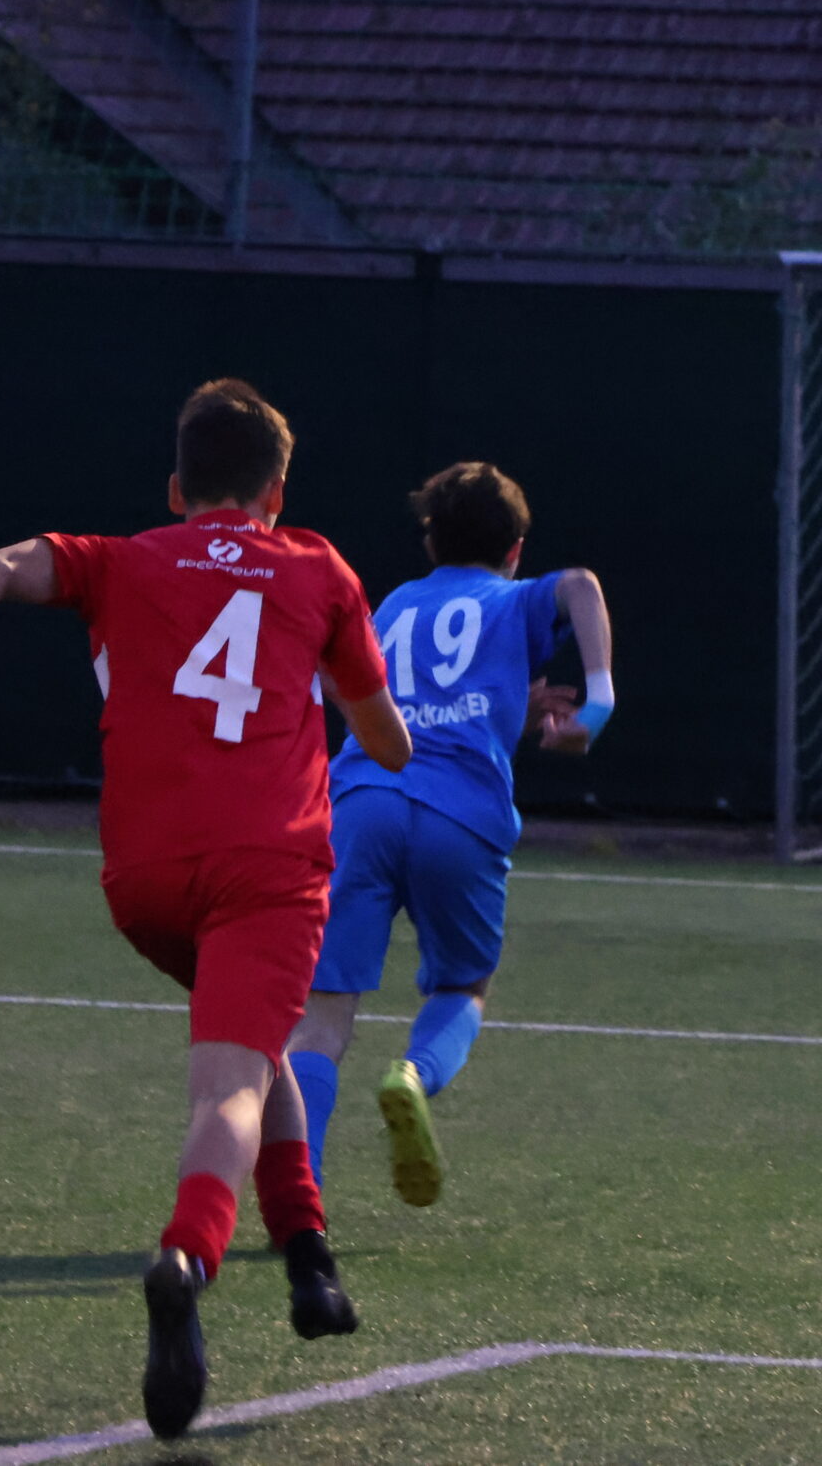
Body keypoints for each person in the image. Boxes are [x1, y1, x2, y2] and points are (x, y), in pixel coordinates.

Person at [0, 379, 411, 1442]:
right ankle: (186, 1258)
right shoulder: (318, 566)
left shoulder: (124, 558)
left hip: (144, 876)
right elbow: (383, 740)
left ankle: (310, 1260)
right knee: (227, 1088)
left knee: (259, 1048)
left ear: (175, 489)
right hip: (266, 868)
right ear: (277, 494)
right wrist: (367, 714)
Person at [284, 462, 614, 1209]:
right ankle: (413, 1074)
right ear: (516, 549)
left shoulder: (397, 603)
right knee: (464, 985)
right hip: (459, 815)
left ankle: (300, 1196)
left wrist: (500, 710)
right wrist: (595, 707)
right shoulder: (513, 598)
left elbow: (346, 683)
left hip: (362, 802)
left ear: (430, 541)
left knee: (324, 1015)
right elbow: (582, 586)